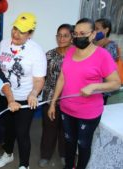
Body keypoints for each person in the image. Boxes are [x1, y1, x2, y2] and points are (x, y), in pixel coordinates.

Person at [48, 18, 121, 169]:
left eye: (82, 33)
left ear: (93, 34)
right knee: (69, 142)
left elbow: (116, 83)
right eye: (75, 33)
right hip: (66, 109)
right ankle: (69, 166)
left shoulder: (102, 55)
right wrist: (53, 102)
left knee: (83, 145)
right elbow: (62, 77)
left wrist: (94, 86)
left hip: (88, 113)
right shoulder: (70, 51)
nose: (78, 37)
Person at [0, 13, 47, 169]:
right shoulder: (3, 44)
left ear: (30, 33)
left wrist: (33, 94)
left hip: (24, 99)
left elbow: (39, 79)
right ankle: (8, 154)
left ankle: (24, 164)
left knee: (22, 132)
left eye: (22, 31)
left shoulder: (36, 51)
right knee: (7, 129)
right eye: (15, 29)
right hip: (5, 96)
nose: (16, 34)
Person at [38, 24, 74, 168]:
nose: (61, 38)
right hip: (50, 98)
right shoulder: (49, 54)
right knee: (49, 128)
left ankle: (64, 154)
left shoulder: (76, 54)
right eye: (59, 35)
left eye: (65, 35)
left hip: (69, 99)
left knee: (66, 129)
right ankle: (45, 155)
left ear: (72, 37)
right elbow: (41, 76)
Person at [94, 18, 121, 104]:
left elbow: (106, 68)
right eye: (93, 29)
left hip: (102, 89)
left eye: (97, 29)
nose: (94, 31)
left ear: (106, 30)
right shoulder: (94, 44)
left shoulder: (110, 46)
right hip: (93, 87)